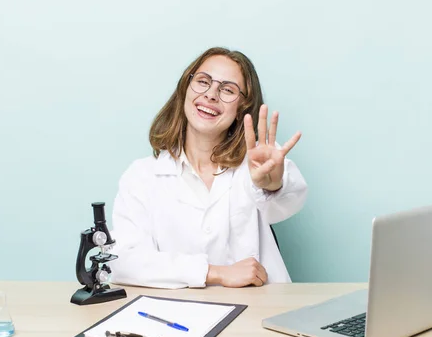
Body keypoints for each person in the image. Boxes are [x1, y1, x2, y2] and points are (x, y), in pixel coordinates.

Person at [109, 47, 307, 289]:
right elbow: (123, 262)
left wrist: (272, 184)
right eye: (203, 81)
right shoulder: (142, 176)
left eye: (227, 90)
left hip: (258, 314)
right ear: (185, 88)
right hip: (178, 317)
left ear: (242, 107)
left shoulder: (257, 161)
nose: (211, 95)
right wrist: (215, 273)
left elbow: (288, 202)